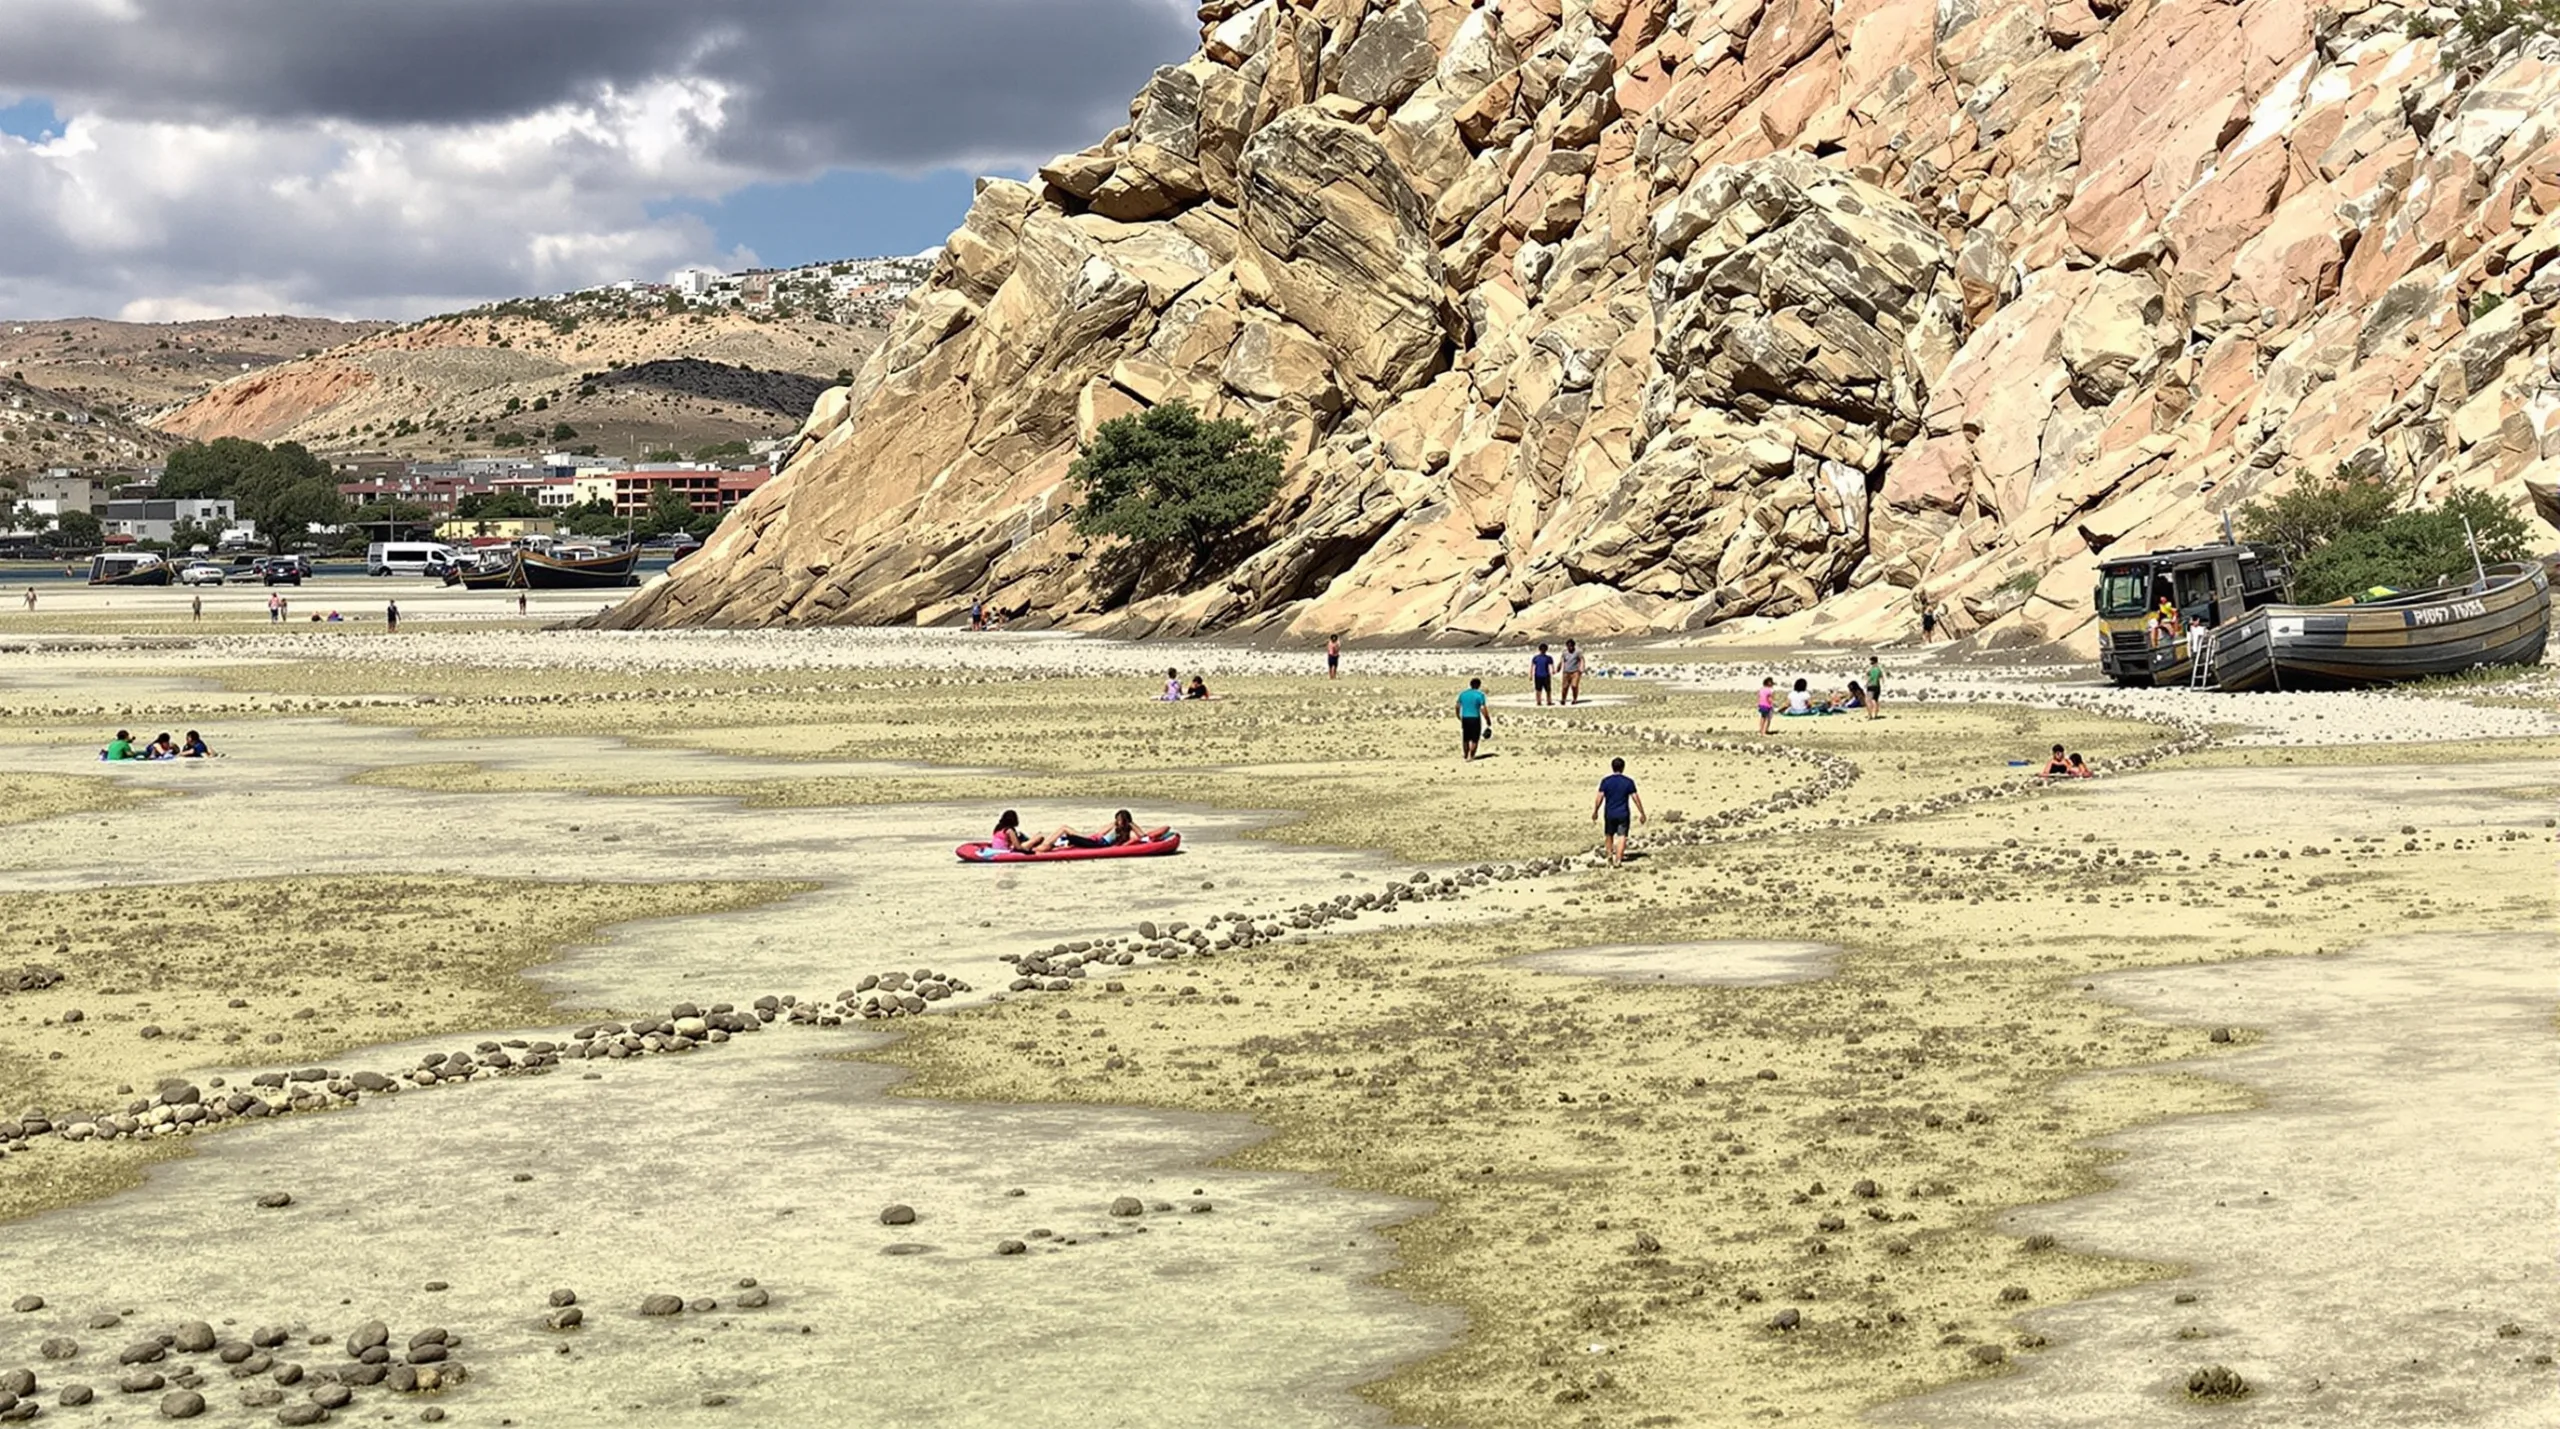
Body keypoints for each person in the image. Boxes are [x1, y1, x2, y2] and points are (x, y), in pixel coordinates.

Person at [1592, 757, 1645, 867]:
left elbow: (1599, 797)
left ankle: (1609, 856)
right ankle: (1618, 860)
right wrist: (1642, 812)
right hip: (1623, 813)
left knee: (1609, 834)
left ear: (1612, 767)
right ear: (1623, 767)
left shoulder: (1606, 781)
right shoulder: (1628, 782)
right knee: (1622, 836)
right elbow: (1635, 798)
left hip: (1609, 813)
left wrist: (1595, 810)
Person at [1056, 809, 1171, 849]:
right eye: (1118, 820)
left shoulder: (1129, 831)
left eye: (1120, 820)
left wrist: (1131, 824)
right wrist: (1114, 824)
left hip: (1099, 845)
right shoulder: (1115, 827)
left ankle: (1061, 842)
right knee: (1068, 832)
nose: (1118, 822)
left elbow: (1142, 836)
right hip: (1096, 841)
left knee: (1071, 837)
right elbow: (1100, 833)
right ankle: (1061, 842)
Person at [990, 810, 1054, 855]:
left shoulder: (998, 829)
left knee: (1038, 840)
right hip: (1006, 851)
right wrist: (1032, 853)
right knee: (1040, 840)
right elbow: (1018, 847)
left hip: (997, 849)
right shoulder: (1009, 831)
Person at [1456, 677, 1491, 760]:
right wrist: (1487, 719)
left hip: (1465, 718)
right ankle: (1471, 755)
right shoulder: (1480, 695)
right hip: (1475, 718)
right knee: (1475, 738)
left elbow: (1457, 706)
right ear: (1479, 685)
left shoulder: (1463, 694)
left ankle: (1465, 755)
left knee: (1466, 737)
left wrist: (1458, 715)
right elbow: (1483, 708)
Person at [1559, 639, 1585, 704]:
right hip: (1566, 672)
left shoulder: (1577, 652)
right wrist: (1558, 668)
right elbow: (1561, 661)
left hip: (1575, 672)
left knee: (1574, 686)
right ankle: (1563, 699)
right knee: (1565, 687)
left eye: (1571, 646)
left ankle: (1574, 699)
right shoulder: (1564, 653)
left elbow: (1582, 659)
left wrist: (1581, 668)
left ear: (1573, 646)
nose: (1570, 647)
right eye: (1568, 646)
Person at [1864, 654, 1882, 718]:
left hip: (1871, 685)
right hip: (1877, 686)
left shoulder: (1871, 669)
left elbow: (1870, 677)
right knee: (1875, 700)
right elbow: (1880, 677)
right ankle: (1875, 715)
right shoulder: (1879, 669)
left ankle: (1870, 715)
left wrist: (1866, 683)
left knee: (1868, 700)